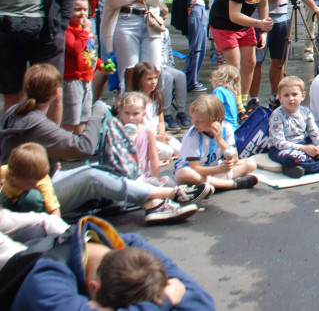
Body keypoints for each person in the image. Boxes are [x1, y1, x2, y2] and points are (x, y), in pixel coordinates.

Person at [0, 64, 207, 223]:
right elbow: (83, 148)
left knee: (98, 169)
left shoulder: (18, 111)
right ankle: (169, 194)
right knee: (92, 176)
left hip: (40, 179)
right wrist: (97, 111)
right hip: (30, 192)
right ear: (57, 92)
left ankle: (152, 203)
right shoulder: (35, 122)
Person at [9, 217, 215, 311]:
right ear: (93, 287)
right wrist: (167, 298)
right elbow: (184, 294)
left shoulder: (131, 246)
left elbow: (203, 304)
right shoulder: (47, 282)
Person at [208, 0, 282, 106]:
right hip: (224, 24)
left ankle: (243, 101)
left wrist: (263, 31)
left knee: (250, 62)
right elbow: (233, 15)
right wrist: (258, 23)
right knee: (234, 66)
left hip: (244, 23)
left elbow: (263, 3)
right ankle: (233, 104)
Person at [268, 76, 319, 178]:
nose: (291, 99)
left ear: (302, 96)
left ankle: (297, 167)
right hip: (282, 149)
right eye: (286, 95)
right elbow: (279, 143)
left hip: (303, 144)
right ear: (280, 98)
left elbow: (314, 132)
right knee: (296, 158)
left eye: (294, 95)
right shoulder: (277, 115)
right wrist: (303, 149)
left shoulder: (305, 112)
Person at [173, 94, 258, 191]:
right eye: (193, 119)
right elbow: (195, 168)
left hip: (214, 168)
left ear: (215, 120)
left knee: (251, 163)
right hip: (196, 171)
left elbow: (234, 159)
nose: (194, 124)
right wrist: (219, 169)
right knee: (186, 174)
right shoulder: (192, 136)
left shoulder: (227, 128)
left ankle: (209, 184)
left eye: (200, 121)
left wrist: (220, 140)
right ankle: (231, 184)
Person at [171, 0, 206, 93]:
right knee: (197, 48)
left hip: (194, 11)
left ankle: (189, 79)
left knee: (198, 46)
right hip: (196, 10)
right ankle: (189, 80)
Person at [61, 0, 96, 134]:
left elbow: (89, 53)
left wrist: (100, 65)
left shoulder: (84, 30)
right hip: (72, 79)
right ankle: (63, 150)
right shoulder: (68, 30)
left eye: (85, 10)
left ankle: (78, 148)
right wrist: (85, 31)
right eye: (77, 9)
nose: (82, 13)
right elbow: (76, 49)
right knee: (71, 118)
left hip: (87, 78)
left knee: (84, 117)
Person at [1, 142, 58, 214]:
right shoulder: (3, 172)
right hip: (9, 211)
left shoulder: (42, 180)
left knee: (32, 197)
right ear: (11, 174)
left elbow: (54, 211)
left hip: (31, 213)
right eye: (30, 183)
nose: (35, 185)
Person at [209, 64, 242, 130]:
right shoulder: (230, 93)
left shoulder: (219, 91)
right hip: (234, 127)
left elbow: (215, 109)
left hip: (224, 128)